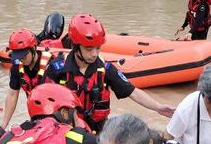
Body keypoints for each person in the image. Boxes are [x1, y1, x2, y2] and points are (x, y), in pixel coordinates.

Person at [46, 13, 174, 133]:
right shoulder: (57, 69)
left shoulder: (105, 69)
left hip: (97, 131)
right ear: (75, 46)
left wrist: (158, 107)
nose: (95, 54)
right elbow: (43, 102)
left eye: (98, 48)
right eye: (89, 49)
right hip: (68, 131)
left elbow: (133, 92)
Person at [1, 28, 56, 128]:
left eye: (24, 56)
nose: (22, 59)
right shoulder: (17, 67)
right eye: (18, 57)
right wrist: (3, 124)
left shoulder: (51, 65)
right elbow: (12, 94)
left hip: (55, 115)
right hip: (35, 114)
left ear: (34, 48)